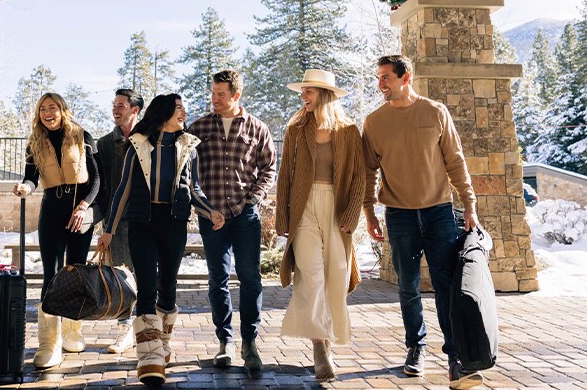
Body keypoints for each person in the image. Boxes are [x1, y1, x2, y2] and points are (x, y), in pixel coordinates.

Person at [362, 55, 483, 389]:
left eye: (386, 77)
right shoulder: (374, 122)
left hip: (439, 212)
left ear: (406, 77)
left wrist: (469, 204)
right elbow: (368, 172)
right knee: (407, 287)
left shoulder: (435, 112)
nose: (381, 84)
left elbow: (455, 161)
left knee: (447, 286)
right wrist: (370, 213)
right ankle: (416, 347)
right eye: (378, 78)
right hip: (399, 216)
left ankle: (456, 355)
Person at [96, 94, 225, 386]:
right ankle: (149, 355)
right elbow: (122, 191)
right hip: (142, 223)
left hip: (174, 223)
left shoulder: (188, 147)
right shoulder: (138, 145)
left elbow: (193, 190)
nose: (184, 112)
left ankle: (162, 341)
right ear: (164, 112)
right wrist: (109, 230)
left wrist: (211, 212)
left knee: (167, 285)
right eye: (179, 108)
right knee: (147, 286)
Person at [274, 69, 365, 381]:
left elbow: (359, 178)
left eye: (308, 91)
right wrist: (282, 218)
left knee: (336, 276)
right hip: (304, 209)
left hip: (337, 210)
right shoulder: (296, 130)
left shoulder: (350, 132)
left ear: (324, 94)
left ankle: (328, 337)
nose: (303, 97)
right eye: (303, 92)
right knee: (310, 276)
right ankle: (319, 347)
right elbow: (285, 174)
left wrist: (352, 215)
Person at [187, 69, 277, 372]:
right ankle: (224, 341)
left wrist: (254, 197)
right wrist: (201, 206)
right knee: (218, 280)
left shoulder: (258, 129)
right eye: (212, 93)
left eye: (221, 94)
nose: (214, 99)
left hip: (245, 216)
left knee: (251, 279)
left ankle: (249, 342)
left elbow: (269, 168)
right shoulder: (197, 128)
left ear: (236, 95)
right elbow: (187, 172)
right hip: (211, 217)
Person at [12, 93, 100, 369]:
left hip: (79, 212)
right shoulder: (34, 141)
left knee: (75, 270)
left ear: (63, 110)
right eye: (42, 109)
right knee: (50, 275)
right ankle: (49, 342)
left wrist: (85, 207)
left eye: (52, 108)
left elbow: (98, 179)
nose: (47, 113)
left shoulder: (83, 135)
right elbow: (31, 176)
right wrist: (26, 186)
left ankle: (73, 331)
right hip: (51, 211)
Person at [96, 88, 144, 353]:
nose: (116, 109)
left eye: (122, 105)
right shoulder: (104, 144)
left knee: (145, 276)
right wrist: (106, 221)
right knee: (121, 278)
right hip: (116, 224)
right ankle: (125, 329)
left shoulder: (149, 140)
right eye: (114, 105)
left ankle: (146, 327)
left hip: (145, 220)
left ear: (135, 110)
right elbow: (101, 184)